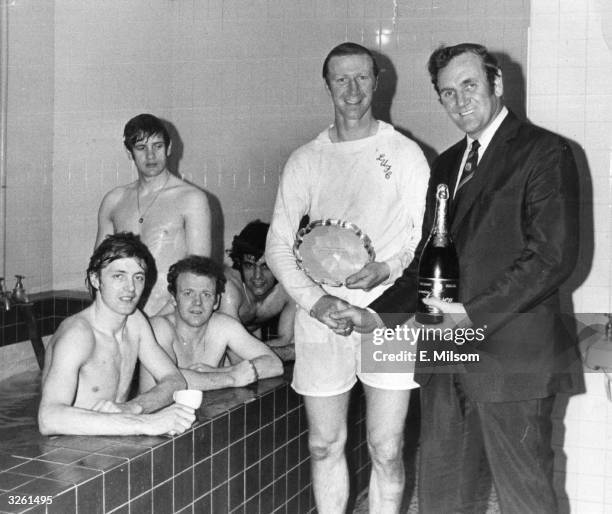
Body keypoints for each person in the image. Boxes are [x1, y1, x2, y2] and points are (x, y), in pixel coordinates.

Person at [336, 43, 583, 513]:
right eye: (447, 93)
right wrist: (374, 316)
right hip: (445, 356)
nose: (459, 100)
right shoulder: (446, 165)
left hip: (513, 356)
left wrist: (468, 317)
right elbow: (430, 261)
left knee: (523, 495)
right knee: (443, 494)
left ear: (496, 84)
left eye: (469, 85)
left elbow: (550, 259)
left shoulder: (544, 152)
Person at [265, 42, 429, 513]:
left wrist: (387, 268)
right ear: (328, 86)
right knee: (324, 444)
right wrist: (317, 304)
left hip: (387, 317)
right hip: (324, 316)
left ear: (377, 82)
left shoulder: (404, 153)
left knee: (387, 449)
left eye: (362, 78)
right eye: (341, 79)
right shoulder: (305, 160)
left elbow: (424, 239)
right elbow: (279, 246)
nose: (352, 90)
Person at [38, 232, 196, 436]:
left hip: (113, 439)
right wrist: (144, 424)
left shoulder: (135, 322)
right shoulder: (78, 335)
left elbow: (175, 380)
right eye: (118, 276)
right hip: (72, 450)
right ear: (96, 280)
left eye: (138, 277)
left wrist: (133, 408)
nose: (130, 288)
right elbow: (48, 418)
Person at [95, 113, 211, 317]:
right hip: (122, 318)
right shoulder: (114, 201)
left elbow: (197, 276)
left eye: (157, 146)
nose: (150, 156)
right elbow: (99, 269)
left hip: (170, 318)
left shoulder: (191, 199)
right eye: (141, 148)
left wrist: (152, 326)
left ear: (169, 147)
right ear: (129, 152)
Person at [139, 255, 283, 392]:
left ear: (216, 302)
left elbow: (275, 364)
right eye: (188, 293)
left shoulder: (223, 326)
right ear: (174, 299)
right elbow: (170, 382)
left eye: (206, 294)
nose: (197, 302)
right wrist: (231, 378)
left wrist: (222, 371)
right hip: (155, 416)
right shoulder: (157, 328)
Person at [219, 220, 296, 361]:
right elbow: (234, 355)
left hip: (252, 345)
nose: (257, 276)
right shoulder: (230, 290)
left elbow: (287, 340)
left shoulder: (289, 288)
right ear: (239, 264)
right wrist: (287, 353)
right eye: (249, 265)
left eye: (265, 266)